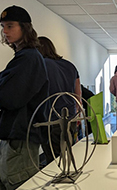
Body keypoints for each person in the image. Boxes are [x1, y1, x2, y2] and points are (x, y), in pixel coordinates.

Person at [0, 5, 49, 190]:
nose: (5, 32)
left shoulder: (29, 58)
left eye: (10, 26)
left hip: (20, 139)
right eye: (3, 27)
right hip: (13, 136)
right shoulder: (23, 58)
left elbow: (5, 96)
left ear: (25, 28)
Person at [37, 36, 81, 165]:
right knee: (70, 153)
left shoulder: (42, 65)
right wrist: (77, 113)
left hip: (51, 118)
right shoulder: (70, 65)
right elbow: (78, 94)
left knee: (54, 160)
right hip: (70, 116)